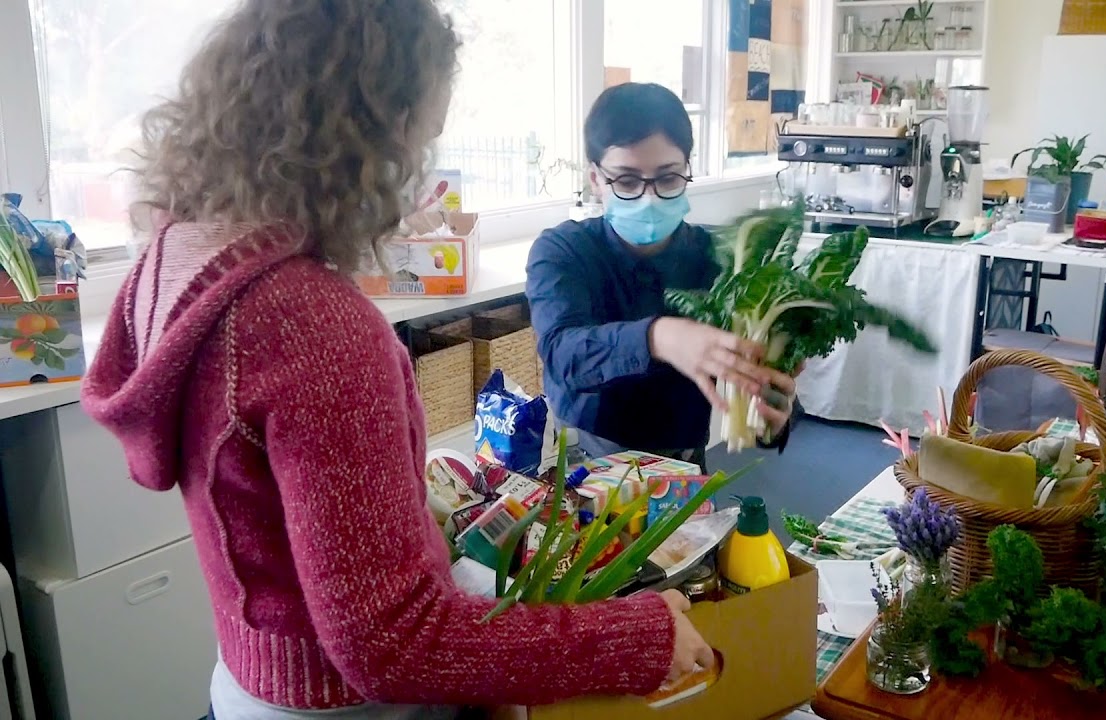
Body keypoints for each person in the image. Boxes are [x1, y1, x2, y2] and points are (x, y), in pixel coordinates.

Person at [80, 3, 710, 719]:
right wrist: (637, 635)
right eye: (424, 137)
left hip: (253, 679)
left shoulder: (183, 256)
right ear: (366, 139)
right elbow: (397, 643)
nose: (421, 170)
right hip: (345, 704)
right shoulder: (313, 326)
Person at [526, 83, 799, 468]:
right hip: (586, 464)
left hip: (685, 463)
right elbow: (562, 353)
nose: (649, 197)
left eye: (668, 178)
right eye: (626, 181)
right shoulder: (564, 251)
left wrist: (773, 411)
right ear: (595, 179)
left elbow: (760, 393)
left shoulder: (720, 259)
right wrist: (659, 337)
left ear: (688, 169)